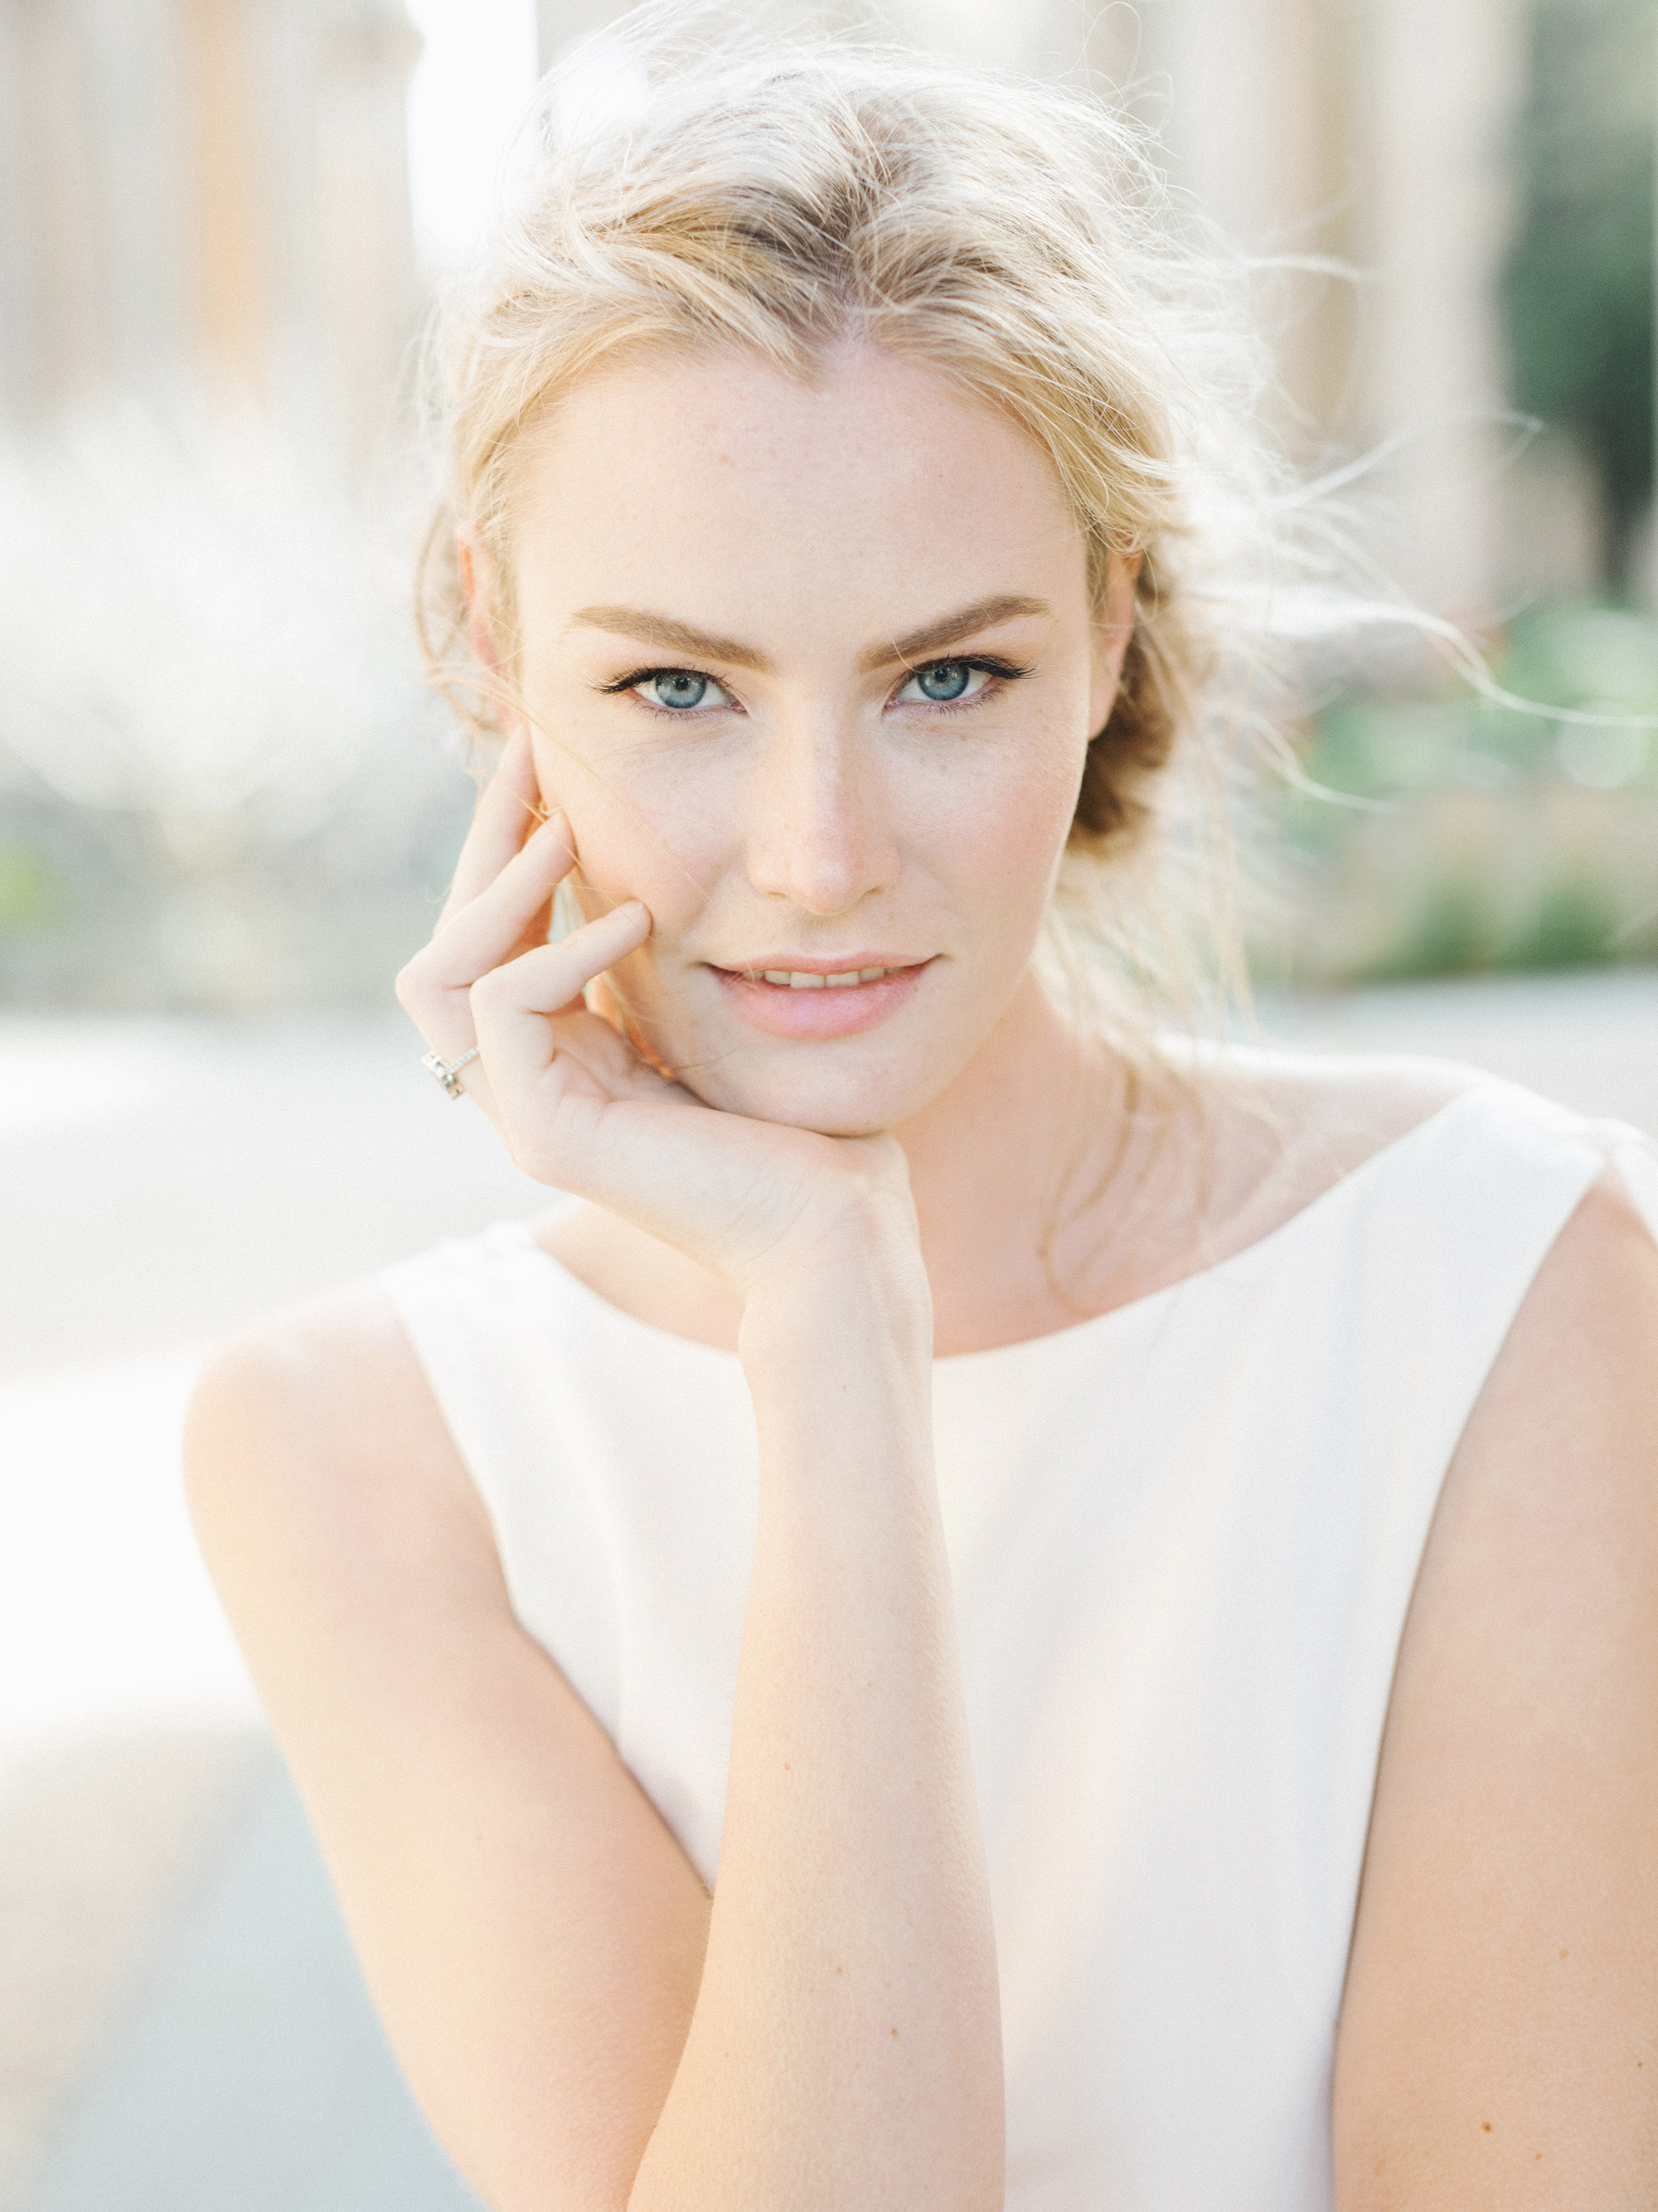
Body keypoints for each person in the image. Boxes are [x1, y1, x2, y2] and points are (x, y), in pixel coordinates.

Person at [183, 25, 1658, 2212]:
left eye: (945, 676)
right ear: (495, 649)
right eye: (676, 685)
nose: (815, 851)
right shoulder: (360, 1451)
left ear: (1108, 627)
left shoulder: (1513, 1293)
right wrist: (833, 1328)